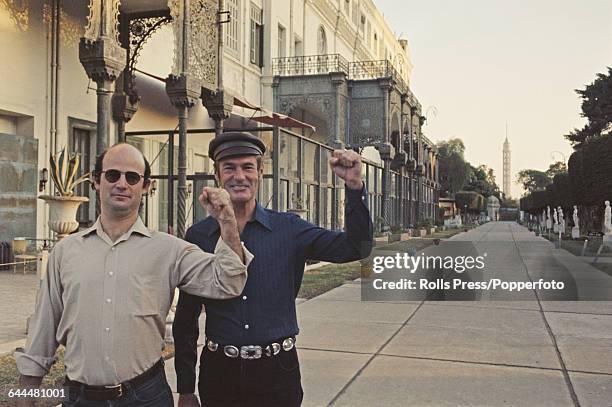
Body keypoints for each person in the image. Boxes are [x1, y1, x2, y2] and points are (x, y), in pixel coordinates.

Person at [15, 143, 253, 406]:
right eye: (112, 175)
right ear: (96, 181)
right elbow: (44, 325)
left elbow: (228, 282)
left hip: (146, 396)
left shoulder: (169, 249)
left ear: (147, 186)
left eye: (132, 177)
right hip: (79, 397)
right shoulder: (65, 251)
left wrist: (227, 221)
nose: (122, 184)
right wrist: (26, 393)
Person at [173, 132, 373, 407]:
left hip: (277, 375)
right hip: (220, 375)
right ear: (217, 174)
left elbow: (355, 248)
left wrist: (354, 186)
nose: (239, 176)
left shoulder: (289, 229)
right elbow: (186, 320)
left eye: (248, 167)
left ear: (261, 172)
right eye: (229, 168)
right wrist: (185, 388)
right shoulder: (199, 236)